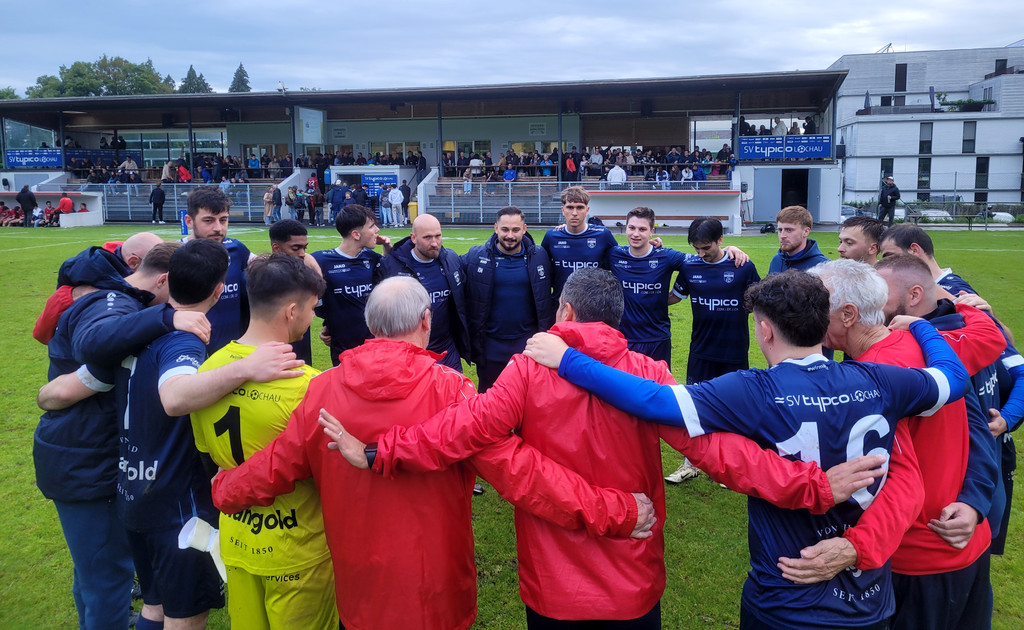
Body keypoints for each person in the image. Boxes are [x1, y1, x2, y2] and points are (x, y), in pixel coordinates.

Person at [324, 267, 899, 628]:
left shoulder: (530, 369)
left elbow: (463, 429)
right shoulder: (648, 373)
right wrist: (811, 485)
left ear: (566, 314)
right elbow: (717, 453)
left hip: (555, 585)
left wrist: (380, 452)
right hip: (632, 578)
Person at [524, 269, 971, 630]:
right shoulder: (883, 380)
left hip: (785, 599)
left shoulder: (753, 390)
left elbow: (653, 401)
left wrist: (567, 359)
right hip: (869, 601)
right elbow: (953, 379)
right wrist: (926, 331)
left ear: (764, 330)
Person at [214, 276, 668, 629]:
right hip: (436, 588)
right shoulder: (451, 390)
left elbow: (278, 464)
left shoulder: (323, 390)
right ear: (427, 321)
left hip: (360, 588)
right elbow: (520, 473)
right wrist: (616, 511)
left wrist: (224, 488)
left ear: (372, 327)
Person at [813, 255, 1004, 630]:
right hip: (966, 542)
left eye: (818, 310)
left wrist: (856, 547)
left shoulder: (866, 381)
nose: (809, 319)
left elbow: (902, 478)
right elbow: (978, 429)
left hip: (915, 558)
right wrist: (975, 502)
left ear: (849, 315)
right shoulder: (938, 349)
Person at [33, 242, 210, 630]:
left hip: (83, 454)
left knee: (97, 571)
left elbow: (81, 378)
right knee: (108, 576)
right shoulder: (114, 303)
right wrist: (167, 317)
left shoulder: (118, 301)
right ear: (163, 280)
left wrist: (70, 386)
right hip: (84, 462)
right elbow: (92, 346)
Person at [191, 254, 337, 630]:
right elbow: (330, 475)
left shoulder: (209, 371)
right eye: (311, 309)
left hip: (238, 544)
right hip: (298, 552)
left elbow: (208, 456)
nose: (311, 319)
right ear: (291, 311)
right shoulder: (309, 385)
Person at [664, 217, 761, 482]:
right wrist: (644, 298)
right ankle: (691, 463)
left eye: (706, 247)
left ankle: (728, 468)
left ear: (721, 240)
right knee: (696, 408)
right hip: (700, 350)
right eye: (696, 248)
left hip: (733, 350)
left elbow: (759, 303)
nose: (701, 253)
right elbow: (675, 297)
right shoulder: (691, 266)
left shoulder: (742, 266)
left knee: (733, 409)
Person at [461, 206, 554, 392]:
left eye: (515, 230)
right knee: (489, 400)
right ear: (496, 228)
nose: (510, 235)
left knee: (528, 397)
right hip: (490, 347)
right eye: (504, 229)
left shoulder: (540, 256)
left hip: (527, 345)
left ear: (525, 229)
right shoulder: (475, 256)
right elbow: (446, 266)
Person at [381, 214, 470, 372]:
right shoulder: (392, 266)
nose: (434, 243)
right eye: (427, 237)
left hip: (447, 351)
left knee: (455, 395)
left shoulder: (451, 260)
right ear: (413, 238)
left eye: (438, 236)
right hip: (409, 354)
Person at [311, 204, 390, 366]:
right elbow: (314, 301)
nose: (377, 230)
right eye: (372, 226)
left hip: (376, 347)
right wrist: (328, 324)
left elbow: (390, 275)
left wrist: (387, 248)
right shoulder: (320, 261)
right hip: (343, 351)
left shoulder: (370, 257)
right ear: (355, 234)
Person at [608, 206, 687, 363]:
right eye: (631, 228)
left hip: (657, 339)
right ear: (626, 229)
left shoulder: (667, 257)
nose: (636, 234)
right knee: (624, 387)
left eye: (642, 229)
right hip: (623, 339)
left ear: (652, 231)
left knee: (658, 386)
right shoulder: (614, 254)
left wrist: (678, 293)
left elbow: (698, 262)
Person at [181, 186, 253, 353]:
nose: (218, 228)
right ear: (189, 221)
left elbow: (265, 265)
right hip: (191, 351)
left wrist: (305, 258)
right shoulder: (175, 255)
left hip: (233, 353)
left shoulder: (236, 249)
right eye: (208, 220)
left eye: (223, 220)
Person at [540, 186, 619, 298]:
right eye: (570, 207)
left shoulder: (603, 235)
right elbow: (539, 265)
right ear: (563, 210)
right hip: (561, 305)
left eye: (580, 207)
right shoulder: (552, 236)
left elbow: (623, 257)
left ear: (587, 210)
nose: (575, 213)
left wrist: (650, 245)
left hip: (593, 305)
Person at [269, 219, 323, 366]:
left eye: (305, 248)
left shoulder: (305, 277)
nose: (302, 254)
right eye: (296, 248)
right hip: (271, 360)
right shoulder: (258, 281)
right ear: (276, 248)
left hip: (302, 359)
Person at [768, 205, 829, 273]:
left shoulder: (823, 267)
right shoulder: (776, 261)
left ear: (806, 232)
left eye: (789, 230)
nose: (782, 236)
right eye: (780, 230)